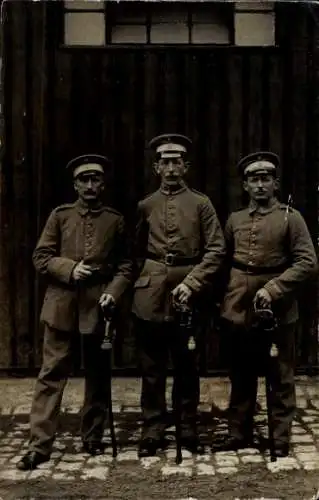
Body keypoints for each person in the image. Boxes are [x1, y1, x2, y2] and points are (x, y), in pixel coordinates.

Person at [17, 154, 132, 470]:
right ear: (75, 184)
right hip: (61, 306)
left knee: (97, 375)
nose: (90, 185)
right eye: (84, 180)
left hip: (98, 306)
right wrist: (69, 269)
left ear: (103, 184)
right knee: (51, 374)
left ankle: (93, 437)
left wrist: (113, 293)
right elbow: (41, 257)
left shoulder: (115, 220)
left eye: (96, 179)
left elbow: (125, 265)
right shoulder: (60, 216)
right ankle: (39, 445)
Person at [217, 151, 317, 456]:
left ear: (275, 184)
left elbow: (307, 262)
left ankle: (279, 436)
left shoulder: (290, 217)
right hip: (239, 304)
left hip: (278, 306)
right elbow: (222, 260)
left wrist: (274, 288)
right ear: (245, 185)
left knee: (280, 374)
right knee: (241, 371)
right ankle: (239, 432)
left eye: (265, 179)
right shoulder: (234, 219)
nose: (260, 185)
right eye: (253, 179)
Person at [132, 133, 226, 458]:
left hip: (189, 294)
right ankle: (152, 429)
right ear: (156, 167)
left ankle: (187, 427)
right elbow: (132, 253)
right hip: (150, 295)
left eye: (177, 162)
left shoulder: (201, 204)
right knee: (152, 368)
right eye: (165, 162)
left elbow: (216, 249)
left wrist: (193, 281)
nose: (171, 168)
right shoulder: (145, 205)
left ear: (185, 166)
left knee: (187, 365)